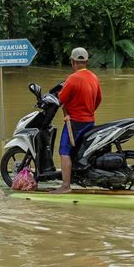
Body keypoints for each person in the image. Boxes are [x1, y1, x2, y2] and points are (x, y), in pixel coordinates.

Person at [51, 47, 102, 194]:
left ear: (73, 62)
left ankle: (66, 185)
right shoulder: (94, 77)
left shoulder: (72, 79)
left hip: (74, 122)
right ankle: (74, 177)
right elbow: (98, 100)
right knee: (79, 150)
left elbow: (60, 99)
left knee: (64, 151)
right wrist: (88, 111)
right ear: (86, 62)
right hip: (89, 121)